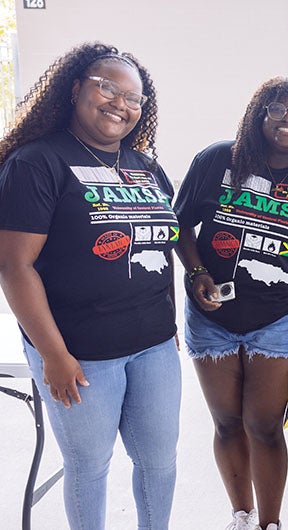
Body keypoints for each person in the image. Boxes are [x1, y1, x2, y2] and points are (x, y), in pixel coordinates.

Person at [0, 43, 181, 530]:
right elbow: (15, 267)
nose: (121, 103)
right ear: (76, 87)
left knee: (159, 464)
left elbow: (162, 246)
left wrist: (173, 322)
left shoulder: (145, 166)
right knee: (90, 467)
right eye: (108, 87)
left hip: (154, 346)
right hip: (79, 352)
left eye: (134, 97)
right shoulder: (36, 163)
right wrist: (53, 355)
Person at [173, 76, 288, 530]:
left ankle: (271, 524)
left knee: (265, 426)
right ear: (259, 114)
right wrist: (196, 275)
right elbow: (180, 227)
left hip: (279, 320)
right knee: (228, 423)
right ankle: (241, 515)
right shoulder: (217, 160)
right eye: (277, 108)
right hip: (211, 317)